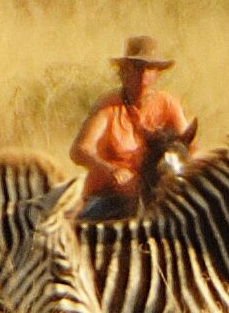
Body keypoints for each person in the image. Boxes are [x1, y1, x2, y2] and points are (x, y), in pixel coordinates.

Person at [72, 36, 193, 221]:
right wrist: (111, 171)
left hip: (156, 198)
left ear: (157, 73)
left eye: (149, 68)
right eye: (137, 67)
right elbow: (80, 151)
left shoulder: (169, 105)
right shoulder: (108, 106)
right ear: (124, 70)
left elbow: (190, 146)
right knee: (81, 230)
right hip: (110, 196)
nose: (143, 75)